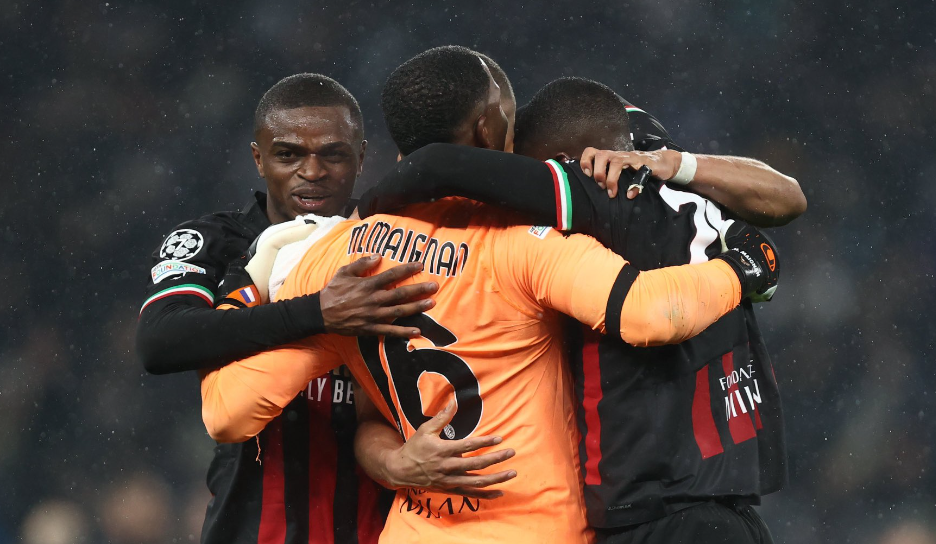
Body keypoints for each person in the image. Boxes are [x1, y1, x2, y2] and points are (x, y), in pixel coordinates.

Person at [199, 46, 780, 544]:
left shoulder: (334, 260)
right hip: (537, 528)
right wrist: (742, 267)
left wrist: (245, 294)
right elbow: (653, 312)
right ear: (488, 128)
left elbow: (227, 414)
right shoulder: (523, 246)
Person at [357, 75, 806, 543]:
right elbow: (791, 197)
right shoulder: (658, 157)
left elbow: (436, 164)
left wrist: (359, 220)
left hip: (656, 506)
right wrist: (690, 177)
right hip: (729, 492)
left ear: (572, 161)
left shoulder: (597, 192)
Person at [135, 73, 441, 544]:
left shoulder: (398, 242)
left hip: (380, 528)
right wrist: (318, 313)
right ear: (258, 158)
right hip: (249, 529)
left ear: (361, 158)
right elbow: (160, 341)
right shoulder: (214, 243)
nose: (312, 172)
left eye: (333, 154)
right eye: (288, 154)